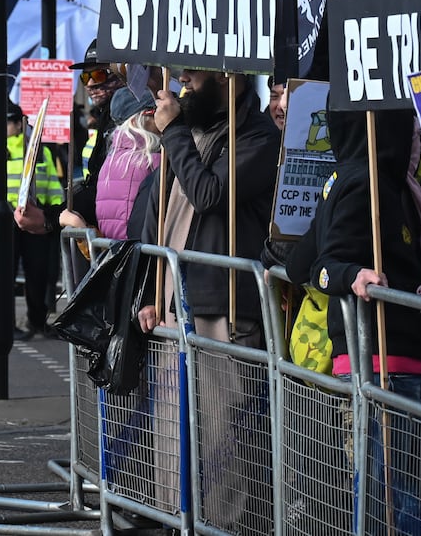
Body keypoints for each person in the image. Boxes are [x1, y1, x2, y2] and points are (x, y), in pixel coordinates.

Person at [136, 68, 280, 532]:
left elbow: (208, 194)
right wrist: (149, 293)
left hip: (224, 305)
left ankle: (226, 527)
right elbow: (158, 215)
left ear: (227, 78)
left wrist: (174, 132)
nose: (181, 87)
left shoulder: (256, 138)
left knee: (224, 443)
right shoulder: (193, 131)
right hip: (177, 304)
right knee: (173, 442)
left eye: (192, 78)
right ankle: (177, 523)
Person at [311, 105, 421, 534]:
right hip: (384, 363)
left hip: (389, 360)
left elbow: (303, 261)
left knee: (385, 495)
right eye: (408, 127)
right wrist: (352, 275)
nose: (416, 137)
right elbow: (325, 262)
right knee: (404, 501)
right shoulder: (366, 182)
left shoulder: (372, 180)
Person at [0, 101, 63, 339]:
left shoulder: (39, 150)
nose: (9, 127)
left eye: (12, 122)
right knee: (5, 277)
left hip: (34, 219)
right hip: (4, 223)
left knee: (38, 275)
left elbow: (52, 185)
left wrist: (55, 214)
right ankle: (7, 325)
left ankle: (38, 322)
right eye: (6, 122)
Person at [81, 86, 159, 242]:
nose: (161, 117)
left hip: (114, 252)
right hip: (138, 253)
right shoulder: (151, 159)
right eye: (154, 112)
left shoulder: (110, 159)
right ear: (138, 119)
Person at [67, 40, 125, 228]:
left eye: (99, 75)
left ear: (120, 74)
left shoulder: (127, 120)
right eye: (85, 78)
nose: (90, 84)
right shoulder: (106, 118)